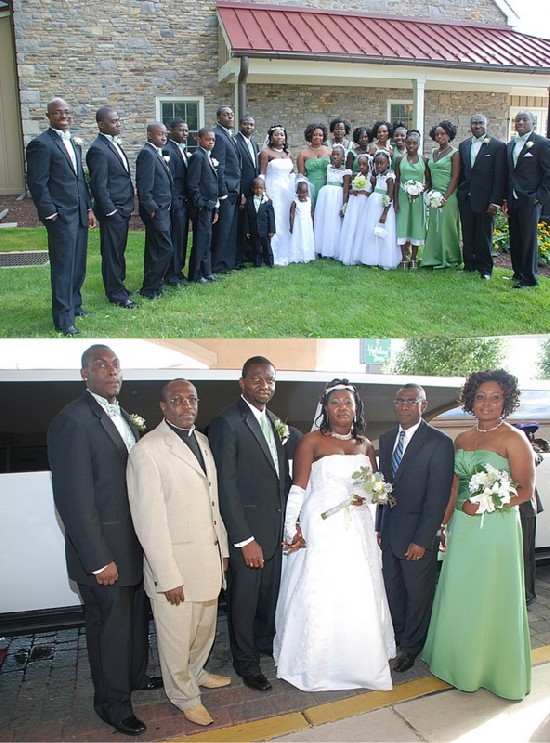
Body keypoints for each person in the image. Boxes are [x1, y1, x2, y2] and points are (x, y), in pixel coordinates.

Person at [47, 344, 161, 737]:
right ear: (84, 374)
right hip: (104, 555)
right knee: (109, 632)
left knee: (133, 623)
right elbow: (73, 500)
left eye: (116, 365)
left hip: (134, 548)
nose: (112, 371)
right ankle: (112, 705)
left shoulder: (126, 417)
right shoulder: (72, 421)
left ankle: (132, 677)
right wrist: (98, 560)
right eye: (101, 365)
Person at [274, 379, 395, 691]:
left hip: (356, 526)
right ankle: (316, 662)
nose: (343, 408)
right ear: (325, 408)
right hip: (322, 526)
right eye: (336, 402)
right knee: (323, 588)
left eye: (348, 403)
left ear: (357, 408)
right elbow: (298, 488)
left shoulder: (366, 445)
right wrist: (290, 527)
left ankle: (360, 660)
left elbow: (372, 488)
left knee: (357, 587)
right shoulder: (312, 441)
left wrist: (366, 497)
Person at [422, 370, 535, 701]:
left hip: (495, 527)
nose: (487, 403)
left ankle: (489, 669)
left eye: (495, 397)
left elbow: (525, 490)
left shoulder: (514, 438)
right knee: (460, 590)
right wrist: (442, 524)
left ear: (506, 401)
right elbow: (455, 486)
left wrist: (486, 502)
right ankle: (457, 663)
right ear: (470, 400)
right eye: (481, 397)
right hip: (463, 525)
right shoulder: (462, 439)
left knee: (489, 593)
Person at [127, 379, 230, 727]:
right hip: (175, 568)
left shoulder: (201, 440)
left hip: (208, 559)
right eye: (177, 400)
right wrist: (166, 575)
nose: (186, 406)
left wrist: (224, 550)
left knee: (203, 630)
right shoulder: (148, 451)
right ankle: (184, 695)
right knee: (175, 639)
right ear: (163, 406)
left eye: (192, 399)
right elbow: (149, 522)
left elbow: (212, 503)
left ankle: (196, 672)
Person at [208, 357, 288, 693]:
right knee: (243, 603)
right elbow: (225, 486)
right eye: (257, 380)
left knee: (267, 599)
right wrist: (243, 539)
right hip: (249, 536)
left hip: (272, 532)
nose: (264, 386)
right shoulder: (227, 421)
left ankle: (262, 646)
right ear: (242, 383)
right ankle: (246, 664)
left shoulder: (271, 420)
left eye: (269, 380)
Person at [377, 383, 454, 673]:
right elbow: (383, 489)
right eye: (399, 401)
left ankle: (411, 647)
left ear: (423, 404)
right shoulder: (385, 440)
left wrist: (424, 538)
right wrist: (380, 526)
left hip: (419, 536)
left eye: (411, 401)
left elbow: (438, 496)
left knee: (418, 594)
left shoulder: (439, 442)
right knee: (393, 591)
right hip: (390, 533)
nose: (404, 406)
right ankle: (396, 638)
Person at [26, 97, 96, 335]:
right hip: (60, 216)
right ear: (48, 116)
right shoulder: (41, 144)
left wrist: (88, 208)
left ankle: (75, 306)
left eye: (66, 112)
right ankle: (63, 319)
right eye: (58, 113)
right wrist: (50, 213)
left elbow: (79, 180)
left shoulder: (74, 142)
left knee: (78, 264)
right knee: (63, 267)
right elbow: (37, 182)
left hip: (78, 213)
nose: (63, 116)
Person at [86, 106, 137, 309]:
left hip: (123, 207)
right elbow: (98, 185)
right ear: (101, 124)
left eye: (118, 120)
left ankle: (120, 286)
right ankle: (115, 294)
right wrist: (111, 211)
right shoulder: (98, 149)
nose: (118, 123)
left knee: (119, 251)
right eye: (114, 121)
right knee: (112, 253)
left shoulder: (113, 145)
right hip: (112, 210)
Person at [502, 110, 550, 289]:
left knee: (528, 239)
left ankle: (530, 279)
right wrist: (506, 198)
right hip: (513, 199)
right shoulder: (511, 144)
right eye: (517, 120)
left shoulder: (542, 144)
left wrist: (539, 198)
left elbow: (548, 174)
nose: (520, 122)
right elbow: (509, 174)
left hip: (531, 200)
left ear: (533, 123)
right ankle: (518, 273)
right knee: (515, 237)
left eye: (524, 120)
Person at [457, 114, 506, 280]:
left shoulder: (497, 146)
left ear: (487, 125)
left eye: (480, 123)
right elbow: (463, 172)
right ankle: (469, 265)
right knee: (468, 233)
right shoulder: (463, 145)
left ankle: (485, 268)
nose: (477, 126)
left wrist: (495, 201)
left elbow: (500, 177)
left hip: (486, 200)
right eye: (474, 123)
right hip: (466, 197)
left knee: (484, 235)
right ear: (470, 126)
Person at [135, 122, 174, 300]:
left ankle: (154, 285)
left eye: (165, 134)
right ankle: (150, 287)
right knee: (166, 248)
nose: (164, 137)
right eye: (160, 134)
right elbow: (144, 185)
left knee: (154, 249)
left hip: (163, 208)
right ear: (150, 135)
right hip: (157, 210)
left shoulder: (156, 153)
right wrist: (151, 208)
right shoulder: (147, 154)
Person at [421, 120, 462, 269]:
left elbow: (456, 177)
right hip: (434, 194)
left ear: (449, 134)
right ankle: (433, 257)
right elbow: (429, 177)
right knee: (433, 226)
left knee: (446, 226)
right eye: (437, 134)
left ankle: (449, 258)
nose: (440, 136)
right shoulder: (433, 152)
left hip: (449, 195)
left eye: (443, 133)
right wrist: (425, 190)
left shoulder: (454, 153)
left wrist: (445, 197)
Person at [513, 421, 545, 605]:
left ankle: (527, 594)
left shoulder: (529, 452)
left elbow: (535, 459)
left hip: (525, 508)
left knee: (525, 554)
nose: (529, 437)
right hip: (510, 508)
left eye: (529, 435)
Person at [186, 128, 221, 284]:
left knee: (207, 239)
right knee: (200, 240)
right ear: (199, 139)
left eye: (213, 140)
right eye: (208, 139)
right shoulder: (198, 157)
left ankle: (207, 271)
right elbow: (192, 183)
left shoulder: (208, 157)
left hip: (210, 204)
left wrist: (215, 206)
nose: (211, 142)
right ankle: (196, 273)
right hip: (202, 206)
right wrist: (199, 203)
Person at [211, 106, 242, 275]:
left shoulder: (229, 135)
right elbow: (219, 166)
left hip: (235, 190)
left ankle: (227, 263)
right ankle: (217, 265)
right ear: (218, 118)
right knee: (222, 230)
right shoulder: (218, 136)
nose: (230, 117)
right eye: (226, 115)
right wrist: (222, 191)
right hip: (226, 191)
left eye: (231, 114)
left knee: (230, 230)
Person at [394, 130, 430, 270]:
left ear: (419, 144)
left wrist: (420, 190)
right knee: (402, 224)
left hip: (418, 198)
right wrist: (396, 201)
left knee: (417, 225)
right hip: (403, 196)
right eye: (408, 143)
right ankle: (404, 258)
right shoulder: (399, 160)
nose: (411, 146)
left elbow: (429, 181)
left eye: (414, 143)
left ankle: (414, 258)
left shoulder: (425, 160)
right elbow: (396, 181)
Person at [259, 125, 294, 266]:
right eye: (276, 135)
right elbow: (262, 173)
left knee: (286, 218)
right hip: (273, 188)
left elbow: (292, 172)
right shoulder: (266, 152)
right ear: (271, 137)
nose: (279, 137)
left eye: (282, 135)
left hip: (287, 189)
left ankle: (288, 250)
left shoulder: (288, 153)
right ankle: (272, 252)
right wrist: (263, 191)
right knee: (276, 219)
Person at [162, 118, 191, 286]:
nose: (185, 133)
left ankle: (179, 270)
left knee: (182, 237)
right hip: (176, 201)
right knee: (175, 237)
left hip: (184, 201)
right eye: (181, 130)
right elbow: (170, 179)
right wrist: (173, 203)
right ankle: (171, 274)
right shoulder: (168, 151)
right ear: (171, 130)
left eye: (186, 131)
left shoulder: (182, 150)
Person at [362, 151, 400, 269]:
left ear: (388, 163)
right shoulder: (378, 176)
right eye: (377, 163)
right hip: (373, 206)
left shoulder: (389, 178)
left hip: (384, 207)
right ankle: (372, 257)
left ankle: (385, 258)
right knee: (371, 229)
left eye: (382, 163)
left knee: (383, 230)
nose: (379, 166)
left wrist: (385, 213)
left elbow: (390, 196)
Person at [313, 145, 351, 259]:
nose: (335, 157)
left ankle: (332, 249)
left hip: (337, 197)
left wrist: (344, 206)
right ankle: (320, 247)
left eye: (338, 155)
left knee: (334, 222)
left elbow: (345, 191)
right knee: (323, 220)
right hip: (326, 196)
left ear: (343, 157)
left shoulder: (346, 172)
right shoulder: (329, 167)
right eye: (333, 155)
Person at [235, 114, 260, 268]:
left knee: (251, 223)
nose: (249, 127)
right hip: (242, 191)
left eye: (251, 124)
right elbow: (236, 169)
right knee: (240, 225)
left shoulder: (255, 145)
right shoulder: (236, 142)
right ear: (240, 125)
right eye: (246, 124)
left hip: (253, 189)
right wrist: (241, 193)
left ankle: (250, 253)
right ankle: (238, 257)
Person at [340, 154, 372, 265]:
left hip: (364, 205)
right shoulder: (355, 175)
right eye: (359, 164)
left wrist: (366, 193)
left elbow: (373, 193)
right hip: (354, 204)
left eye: (364, 164)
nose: (361, 167)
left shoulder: (371, 178)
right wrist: (352, 191)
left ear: (369, 165)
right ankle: (349, 252)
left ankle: (360, 253)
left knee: (361, 228)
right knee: (352, 226)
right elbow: (349, 189)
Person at [296, 123, 332, 207]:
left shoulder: (330, 151)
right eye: (314, 135)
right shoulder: (303, 154)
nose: (317, 137)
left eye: (320, 135)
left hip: (326, 185)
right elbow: (301, 176)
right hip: (310, 186)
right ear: (310, 136)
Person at [243, 177, 276, 268]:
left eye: (261, 188)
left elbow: (271, 217)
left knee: (267, 246)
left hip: (265, 229)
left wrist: (272, 230)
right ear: (252, 189)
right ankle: (257, 262)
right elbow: (246, 217)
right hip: (254, 229)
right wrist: (247, 231)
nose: (258, 190)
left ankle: (269, 262)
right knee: (256, 247)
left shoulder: (268, 201)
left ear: (264, 189)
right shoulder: (249, 201)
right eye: (256, 188)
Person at [288, 180, 315, 264]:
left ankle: (307, 255)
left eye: (306, 192)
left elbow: (311, 212)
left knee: (307, 238)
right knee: (299, 238)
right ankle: (298, 255)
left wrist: (313, 223)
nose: (304, 194)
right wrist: (291, 225)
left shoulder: (309, 201)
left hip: (307, 222)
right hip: (299, 223)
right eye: (302, 192)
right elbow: (291, 214)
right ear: (297, 191)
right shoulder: (295, 202)